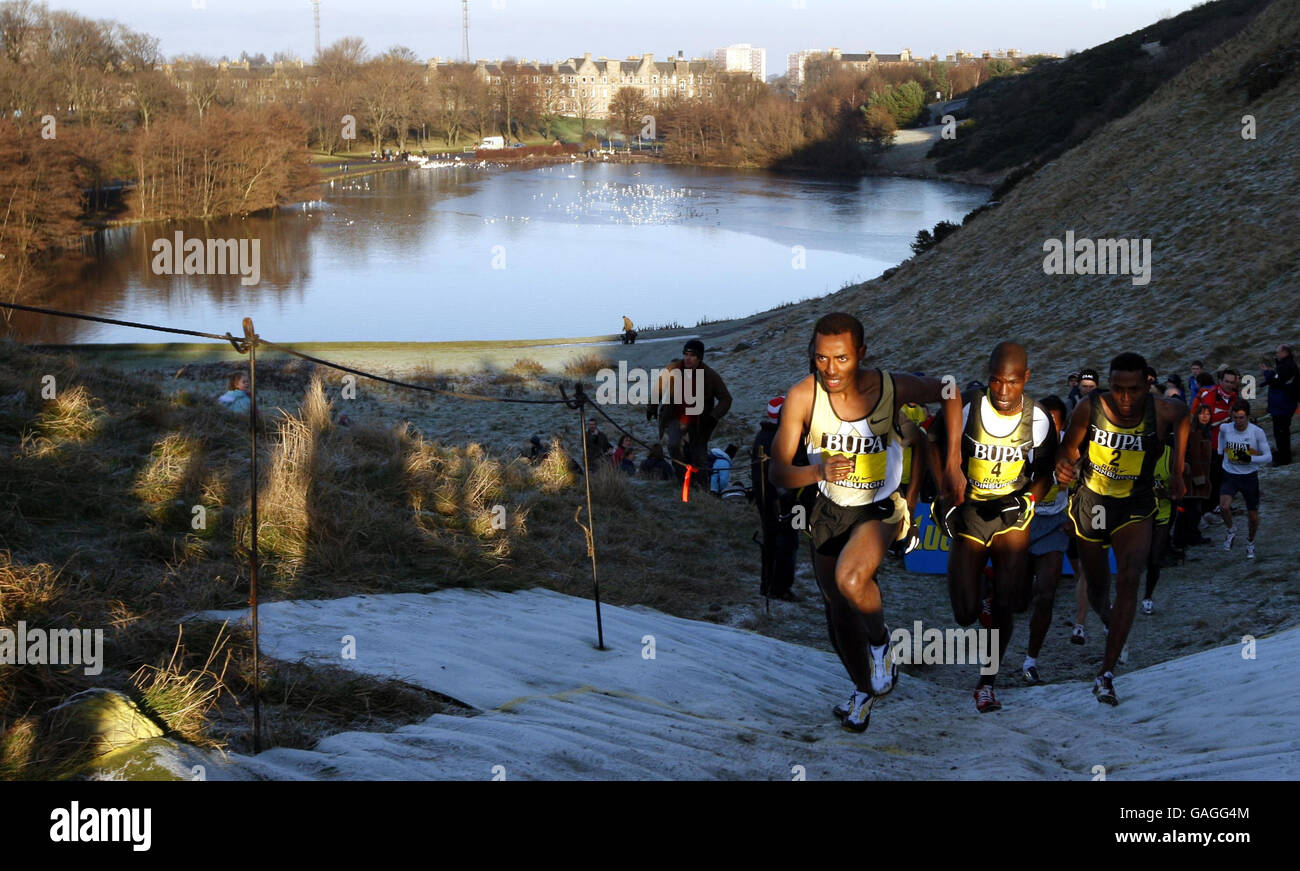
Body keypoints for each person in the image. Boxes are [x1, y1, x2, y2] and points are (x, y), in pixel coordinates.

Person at [768, 312, 964, 732]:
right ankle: (863, 690)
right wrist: (817, 472)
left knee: (851, 579)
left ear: (861, 354)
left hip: (879, 506)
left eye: (840, 359)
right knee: (837, 615)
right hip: (829, 508)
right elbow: (778, 472)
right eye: (821, 358)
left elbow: (949, 389)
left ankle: (882, 643)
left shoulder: (890, 387)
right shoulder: (803, 396)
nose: (830, 369)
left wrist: (952, 466)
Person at [928, 343, 1057, 711]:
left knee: (1007, 605)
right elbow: (932, 442)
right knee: (965, 613)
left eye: (1012, 383)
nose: (1002, 391)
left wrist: (1030, 499)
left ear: (1026, 379)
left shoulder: (1040, 418)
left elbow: (1046, 474)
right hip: (971, 510)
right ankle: (984, 591)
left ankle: (987, 683)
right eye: (996, 381)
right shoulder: (967, 405)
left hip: (1010, 515)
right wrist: (943, 493)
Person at [1056, 352, 1189, 706]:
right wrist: (1063, 469)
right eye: (1117, 388)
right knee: (1098, 588)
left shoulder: (1161, 410)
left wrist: (1177, 470)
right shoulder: (1090, 407)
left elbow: (1184, 415)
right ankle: (1111, 621)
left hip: (1135, 504)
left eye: (1132, 389)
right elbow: (1066, 451)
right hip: (1094, 502)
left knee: (1130, 576)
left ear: (1147, 384)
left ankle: (1106, 674)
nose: (1125, 398)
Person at [1021, 395, 1070, 685]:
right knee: (1013, 597)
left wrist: (1074, 517)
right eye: (1045, 419)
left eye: (1055, 420)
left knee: (1047, 593)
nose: (1050, 425)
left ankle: (1031, 661)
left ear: (1062, 424)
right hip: (1022, 522)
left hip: (1054, 523)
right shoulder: (1021, 442)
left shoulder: (1070, 447)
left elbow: (1089, 481)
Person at [653, 339, 732, 481]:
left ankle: (702, 489)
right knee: (674, 448)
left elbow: (726, 399)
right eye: (686, 354)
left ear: (699, 357)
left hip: (699, 423)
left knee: (700, 458)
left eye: (692, 355)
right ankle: (682, 482)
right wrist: (652, 405)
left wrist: (713, 416)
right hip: (675, 419)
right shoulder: (673, 369)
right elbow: (659, 388)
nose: (688, 358)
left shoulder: (710, 376)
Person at [752, 396, 803, 602]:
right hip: (786, 498)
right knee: (788, 542)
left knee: (770, 540)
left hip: (764, 498)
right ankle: (780, 588)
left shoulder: (761, 436)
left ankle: (767, 585)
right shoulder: (786, 438)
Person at [1219, 399, 1271, 558]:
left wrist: (1248, 459)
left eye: (1241, 417)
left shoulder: (1256, 432)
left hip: (1249, 477)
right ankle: (1231, 530)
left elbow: (1268, 457)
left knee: (1253, 516)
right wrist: (1221, 451)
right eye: (1235, 417)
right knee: (1224, 507)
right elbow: (1221, 436)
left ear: (1247, 416)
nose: (1238, 421)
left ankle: (1250, 542)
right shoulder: (1225, 428)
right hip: (1230, 475)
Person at [1140, 429, 1178, 614]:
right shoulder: (1140, 456)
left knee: (1155, 559)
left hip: (1163, 511)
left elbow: (1179, 493)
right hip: (1143, 511)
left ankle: (1148, 596)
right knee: (1140, 557)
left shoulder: (1171, 457)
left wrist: (1167, 493)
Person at [1191, 368, 1239, 508]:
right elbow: (1202, 422)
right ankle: (1210, 507)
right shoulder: (1210, 397)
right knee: (1214, 477)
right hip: (1212, 444)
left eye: (1232, 382)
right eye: (1226, 381)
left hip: (1229, 443)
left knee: (1228, 475)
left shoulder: (1235, 397)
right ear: (1220, 381)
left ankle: (1222, 504)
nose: (1229, 385)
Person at [1262, 345, 1297, 465]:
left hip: (1283, 406)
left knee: (1281, 432)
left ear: (1284, 352)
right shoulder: (1285, 365)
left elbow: (1277, 382)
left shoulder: (1287, 366)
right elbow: (1277, 380)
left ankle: (1284, 458)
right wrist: (1270, 373)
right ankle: (1283, 455)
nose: (1276, 354)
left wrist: (1267, 373)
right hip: (1283, 405)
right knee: (1281, 432)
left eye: (1278, 352)